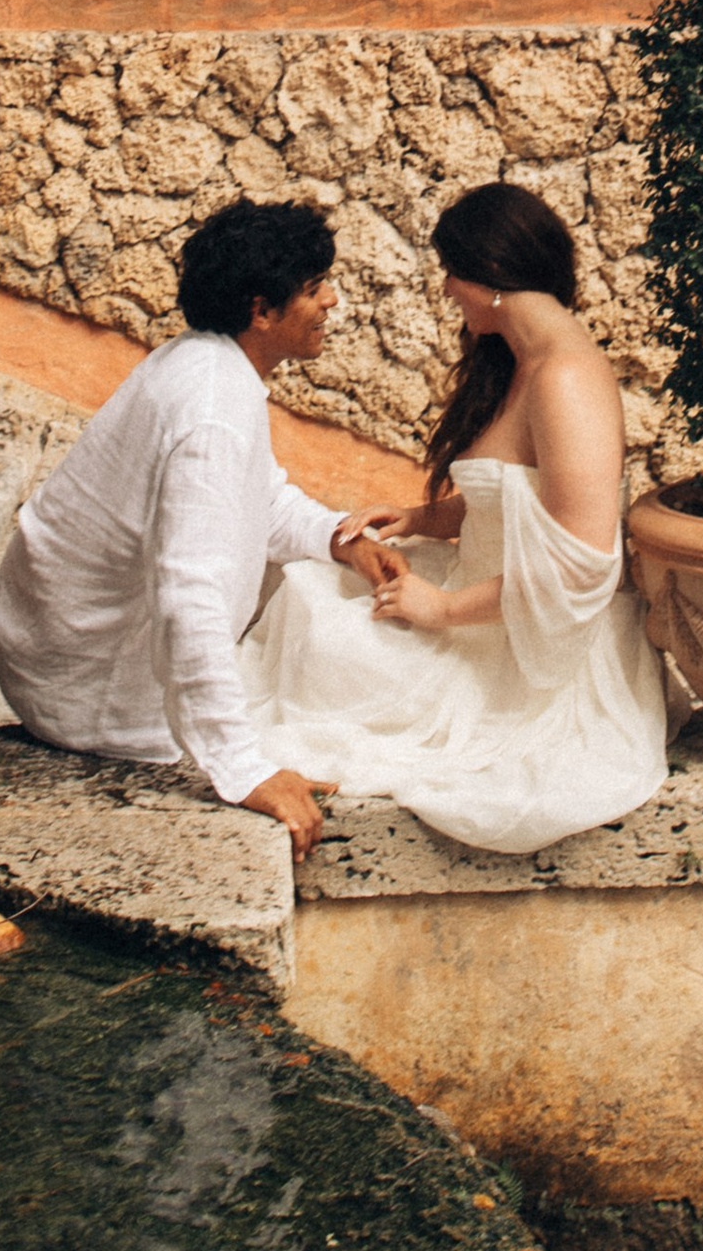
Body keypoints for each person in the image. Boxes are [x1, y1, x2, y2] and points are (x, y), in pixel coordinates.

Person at [235, 180, 669, 854]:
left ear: (491, 275)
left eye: (451, 272)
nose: (445, 290)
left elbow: (583, 567)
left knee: (330, 643)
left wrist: (440, 610)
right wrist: (419, 519)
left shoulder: (567, 378)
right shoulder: (522, 359)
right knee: (312, 591)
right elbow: (519, 495)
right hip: (485, 592)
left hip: (528, 643)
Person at [0, 198, 395, 863]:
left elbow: (259, 496)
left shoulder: (206, 363)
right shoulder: (210, 405)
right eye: (314, 287)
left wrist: (342, 541)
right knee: (360, 709)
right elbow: (191, 595)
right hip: (91, 692)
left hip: (62, 660)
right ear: (261, 311)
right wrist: (243, 769)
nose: (333, 301)